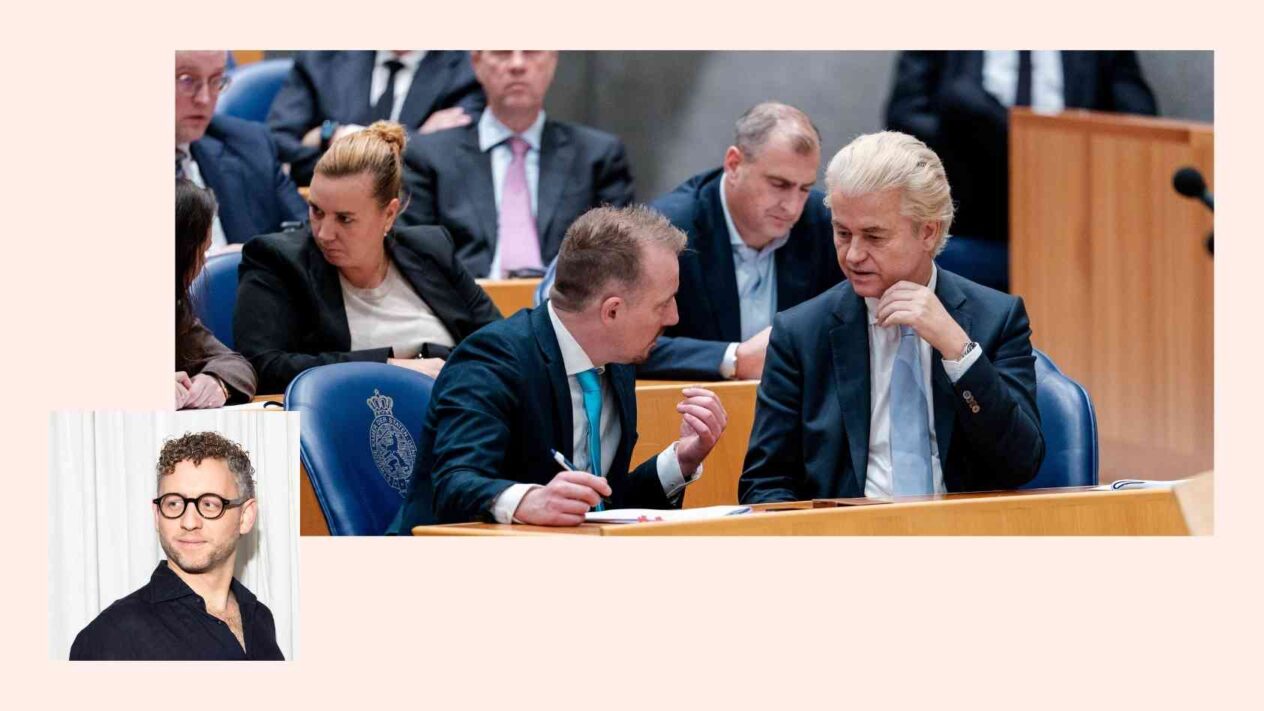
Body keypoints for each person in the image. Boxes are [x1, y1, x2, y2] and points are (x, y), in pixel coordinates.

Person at [739, 131, 1044, 504]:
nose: (853, 255)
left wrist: (958, 351)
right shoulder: (800, 333)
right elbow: (764, 484)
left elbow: (1021, 464)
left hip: (961, 531)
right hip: (847, 531)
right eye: (843, 233)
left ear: (927, 232)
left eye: (874, 237)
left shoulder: (996, 319)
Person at [390, 205, 728, 531]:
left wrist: (680, 461)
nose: (674, 317)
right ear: (612, 311)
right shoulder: (492, 359)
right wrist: (528, 501)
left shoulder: (617, 361)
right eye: (663, 303)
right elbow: (453, 484)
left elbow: (604, 507)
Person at [235, 122, 501, 394]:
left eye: (344, 219)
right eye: (316, 211)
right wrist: (389, 368)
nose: (324, 233)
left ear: (389, 214)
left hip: (457, 402)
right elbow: (261, 366)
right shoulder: (276, 260)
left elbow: (501, 343)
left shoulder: (430, 249)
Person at [639, 102, 842, 380]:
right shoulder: (666, 230)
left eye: (805, 189)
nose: (792, 206)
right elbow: (624, 343)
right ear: (734, 164)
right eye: (779, 185)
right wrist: (734, 359)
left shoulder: (826, 223)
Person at [398, 50, 634, 278]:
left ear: (552, 61)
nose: (517, 65)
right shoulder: (428, 156)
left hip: (564, 301)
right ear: (476, 62)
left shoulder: (596, 156)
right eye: (502, 52)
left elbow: (616, 258)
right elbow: (415, 260)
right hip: (465, 300)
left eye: (531, 52)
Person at [886, 51, 1157, 245]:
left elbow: (1139, 125)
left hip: (1070, 207)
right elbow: (906, 117)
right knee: (964, 102)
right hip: (970, 205)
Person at [70, 432, 283, 660]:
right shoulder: (111, 636)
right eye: (173, 503)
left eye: (209, 504)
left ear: (246, 516)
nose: (189, 522)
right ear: (157, 515)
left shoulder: (259, 618)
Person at [267, 50, 486, 187]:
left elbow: (457, 155)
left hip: (419, 220)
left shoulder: (470, 69)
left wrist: (338, 138)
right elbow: (276, 144)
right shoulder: (321, 59)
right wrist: (415, 141)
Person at [175, 51, 307, 250]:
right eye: (187, 80)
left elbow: (308, 237)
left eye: (215, 80)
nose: (204, 98)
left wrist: (255, 260)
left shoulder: (249, 145)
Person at [175, 179, 257, 408]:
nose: (202, 264)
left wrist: (217, 381)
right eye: (202, 252)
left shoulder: (176, 309)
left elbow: (234, 363)